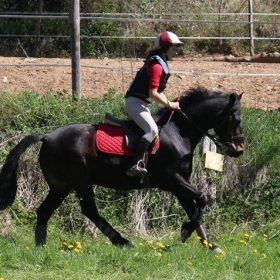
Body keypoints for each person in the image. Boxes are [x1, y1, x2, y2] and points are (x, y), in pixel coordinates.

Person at [125, 31, 183, 177]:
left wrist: (170, 102)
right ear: (165, 48)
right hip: (135, 103)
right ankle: (135, 164)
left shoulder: (160, 63)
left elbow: (156, 92)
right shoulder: (157, 66)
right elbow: (153, 94)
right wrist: (169, 104)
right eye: (174, 48)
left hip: (141, 103)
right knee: (152, 131)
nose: (176, 52)